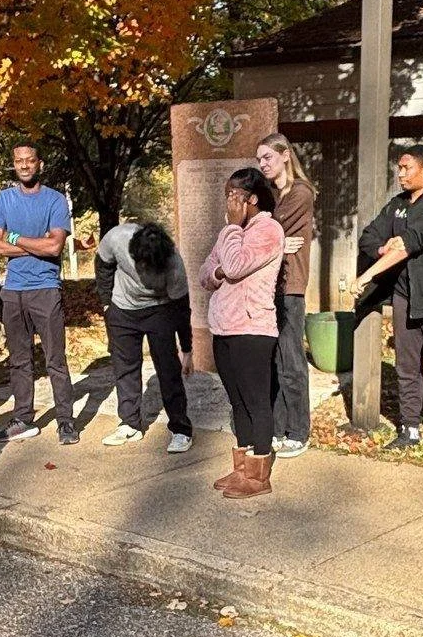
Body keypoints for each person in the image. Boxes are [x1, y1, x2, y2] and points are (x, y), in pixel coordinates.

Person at [353, 145, 423, 449]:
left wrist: (368, 275)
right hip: (404, 296)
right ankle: (410, 429)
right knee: (407, 366)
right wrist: (383, 249)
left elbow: (410, 243)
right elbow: (370, 236)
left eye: (406, 168)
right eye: (399, 168)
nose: (400, 174)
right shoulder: (397, 205)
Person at [200, 167, 285, 499]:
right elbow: (208, 274)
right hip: (223, 327)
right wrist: (222, 261)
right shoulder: (230, 231)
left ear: (252, 199)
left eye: (234, 194)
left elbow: (234, 267)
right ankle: (242, 468)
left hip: (253, 328)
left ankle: (259, 475)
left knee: (256, 401)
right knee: (236, 401)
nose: (228, 201)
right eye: (226, 194)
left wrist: (232, 232)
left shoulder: (268, 230)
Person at [0, 144, 78, 445]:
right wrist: (34, 243)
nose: (24, 165)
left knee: (55, 360)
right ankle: (23, 419)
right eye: (19, 161)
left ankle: (65, 421)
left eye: (30, 160)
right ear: (14, 165)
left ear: (39, 164)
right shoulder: (4, 199)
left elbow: (55, 247)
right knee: (19, 361)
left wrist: (13, 237)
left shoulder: (54, 200)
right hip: (13, 291)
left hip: (45, 289)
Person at [97, 220, 195, 454]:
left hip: (159, 310)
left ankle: (181, 429)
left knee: (168, 369)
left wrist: (187, 350)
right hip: (122, 309)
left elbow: (182, 311)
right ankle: (130, 423)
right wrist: (106, 305)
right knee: (125, 367)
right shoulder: (117, 238)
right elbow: (102, 265)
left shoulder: (173, 264)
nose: (143, 271)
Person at [256, 133, 317, 457]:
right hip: (268, 285)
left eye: (267, 157)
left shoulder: (300, 193)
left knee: (292, 361)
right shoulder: (270, 196)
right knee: (273, 361)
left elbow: (266, 228)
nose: (263, 164)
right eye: (259, 159)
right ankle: (278, 427)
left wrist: (268, 235)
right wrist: (275, 241)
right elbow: (261, 229)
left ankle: (299, 431)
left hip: (290, 287)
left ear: (284, 156)